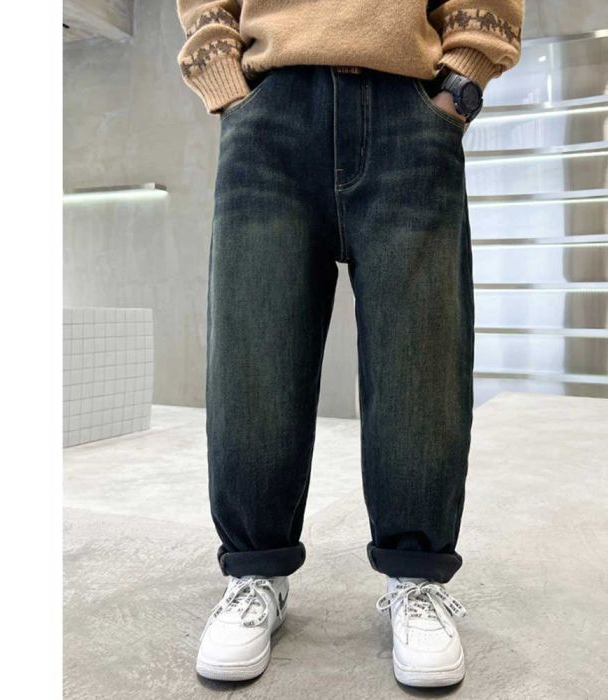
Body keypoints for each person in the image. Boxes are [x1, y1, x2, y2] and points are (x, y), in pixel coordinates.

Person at [176, 0, 523, 688]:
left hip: (409, 109)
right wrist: (228, 86)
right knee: (253, 358)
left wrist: (462, 80)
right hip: (270, 110)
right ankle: (254, 574)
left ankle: (415, 579)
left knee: (420, 361)